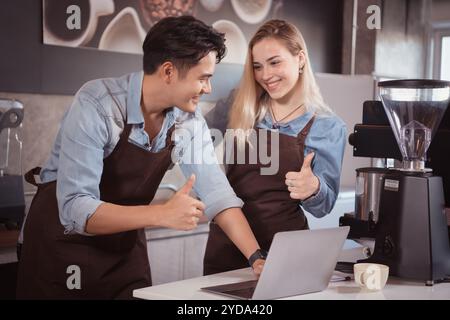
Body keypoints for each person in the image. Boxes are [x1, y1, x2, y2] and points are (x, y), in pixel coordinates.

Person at [16, 16, 265, 299]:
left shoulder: (187, 120)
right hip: (61, 250)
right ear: (169, 71)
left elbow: (217, 192)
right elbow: (74, 209)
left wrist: (256, 258)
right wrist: (161, 214)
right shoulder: (97, 103)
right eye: (203, 78)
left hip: (123, 252)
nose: (208, 88)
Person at [203, 19, 347, 275]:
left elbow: (323, 205)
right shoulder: (239, 104)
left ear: (300, 58)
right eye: (257, 66)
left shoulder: (328, 126)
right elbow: (197, 137)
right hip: (227, 245)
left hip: (287, 250)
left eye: (274, 62)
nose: (265, 75)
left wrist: (313, 188)